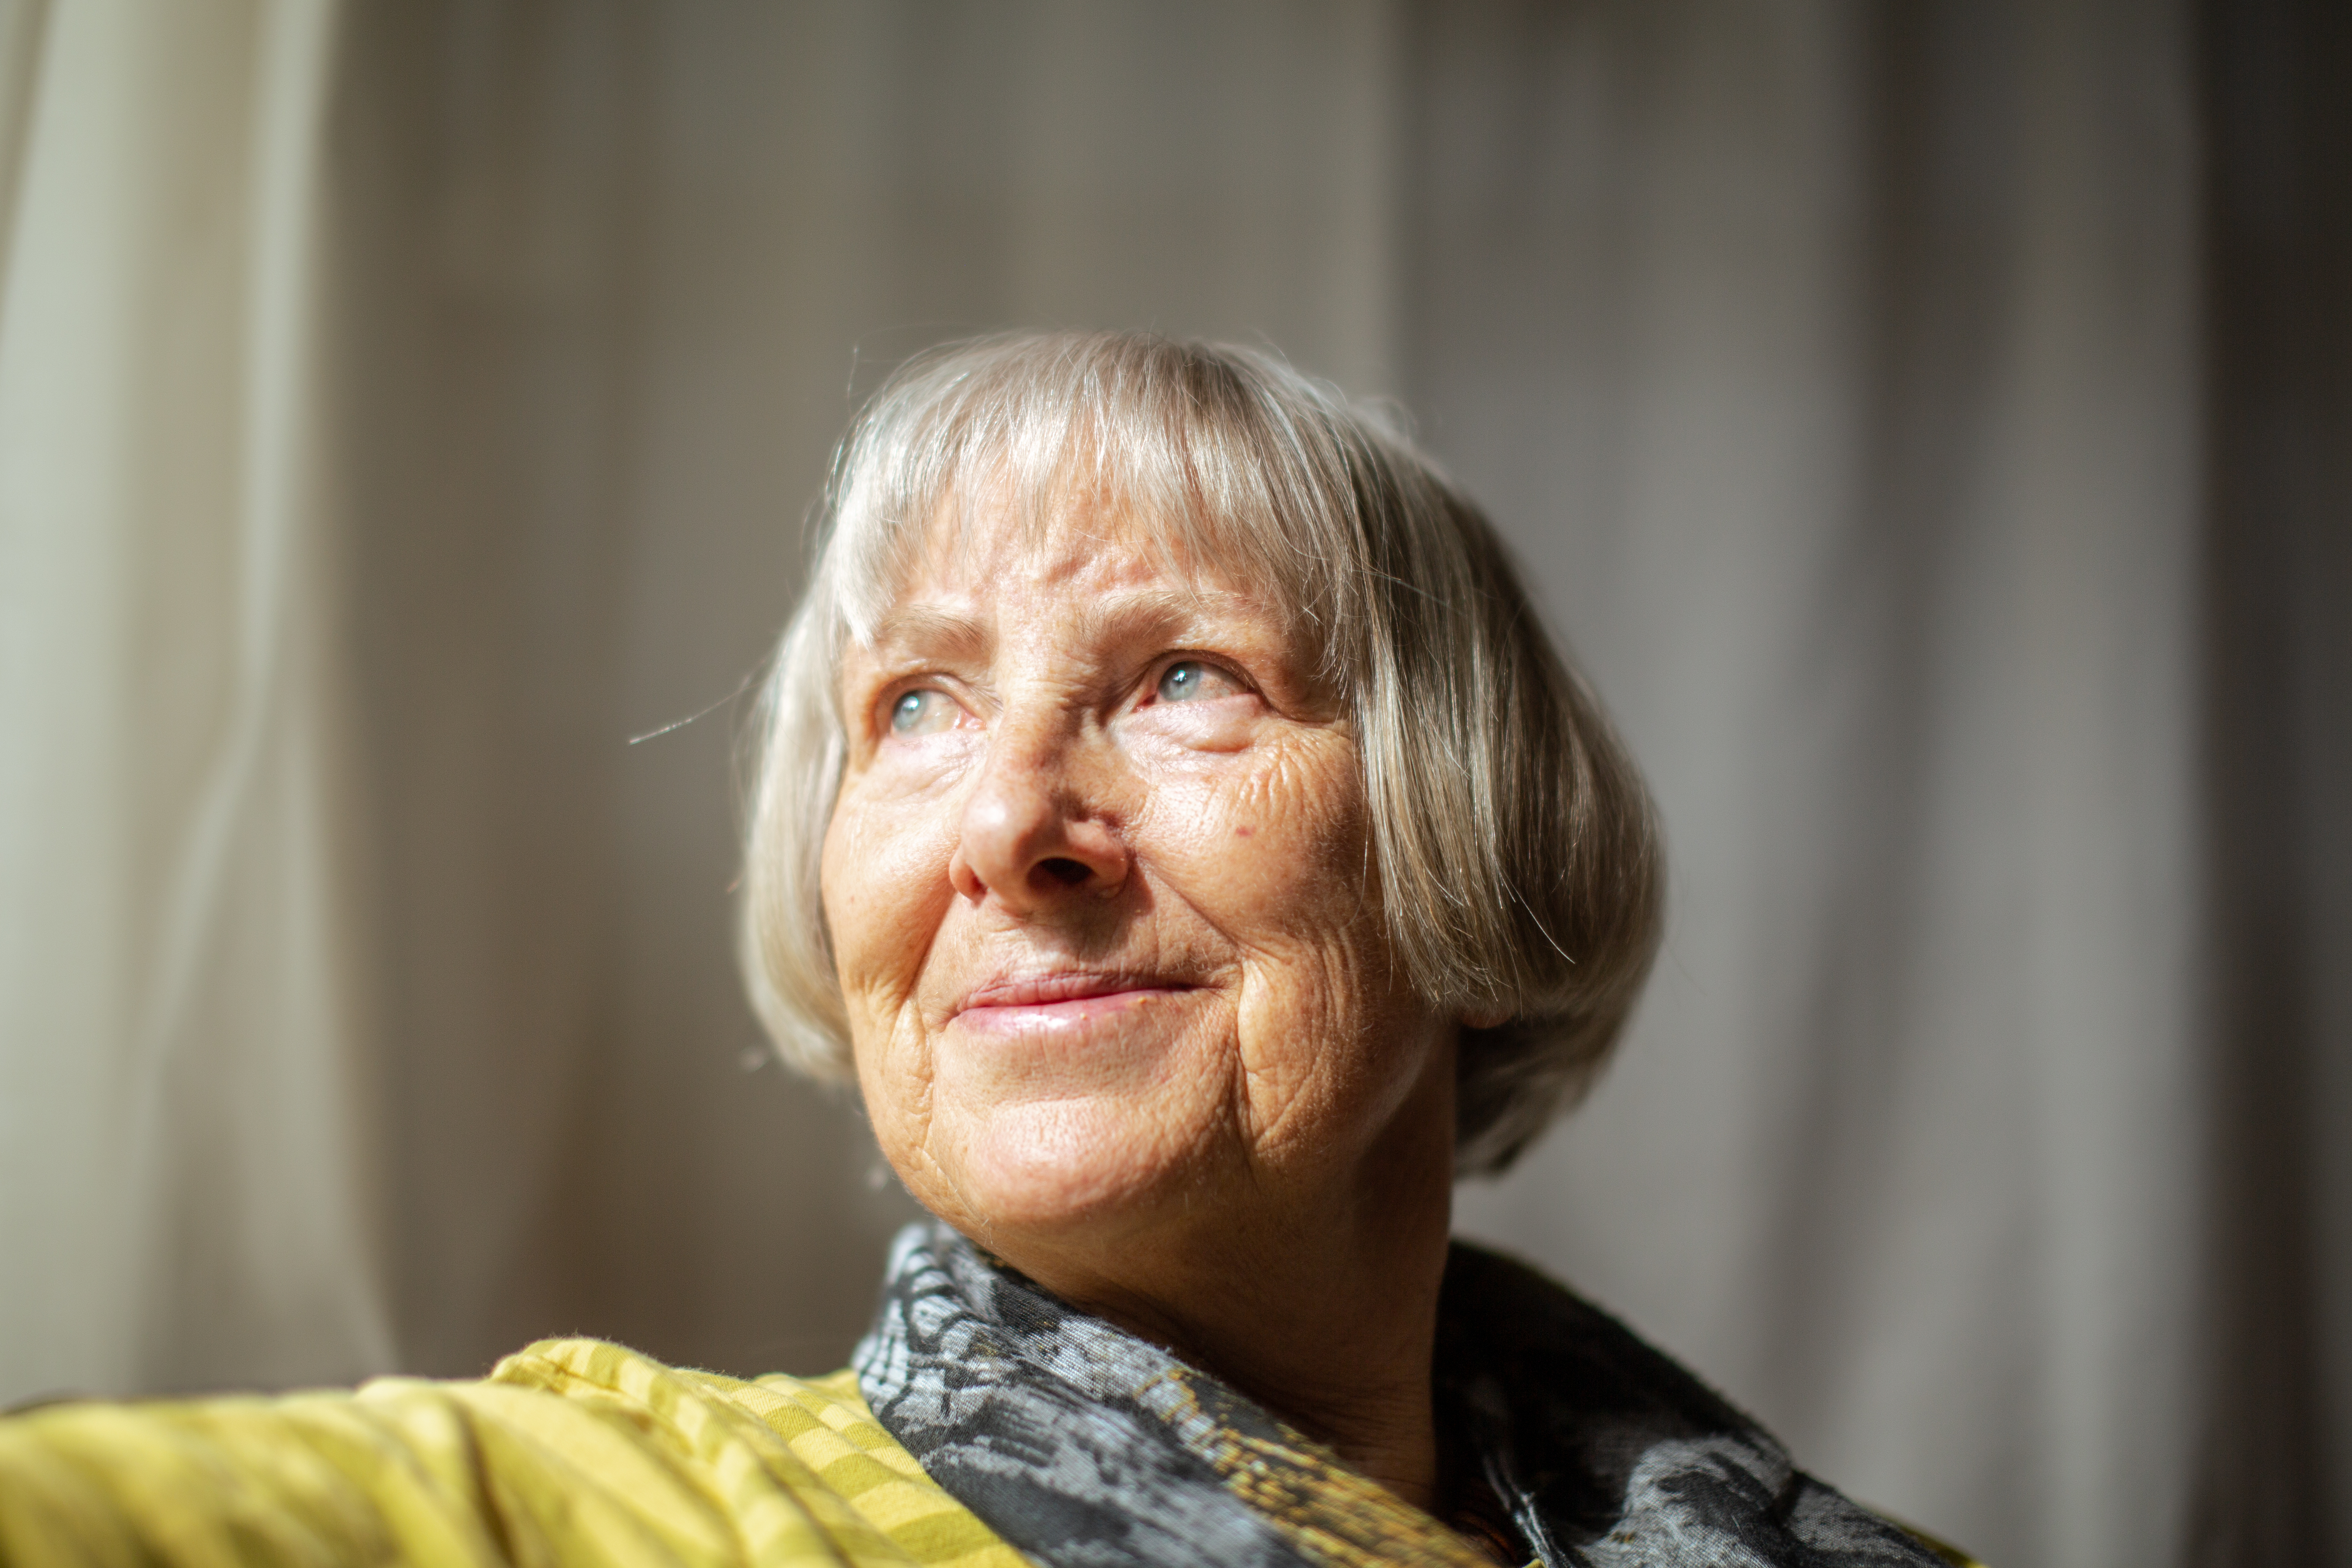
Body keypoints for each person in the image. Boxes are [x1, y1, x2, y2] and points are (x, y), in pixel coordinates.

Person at [0, 332, 1973, 1568]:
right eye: (916, 711)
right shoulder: (637, 1509)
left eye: (1186, 678)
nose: (1010, 831)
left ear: (1469, 827)